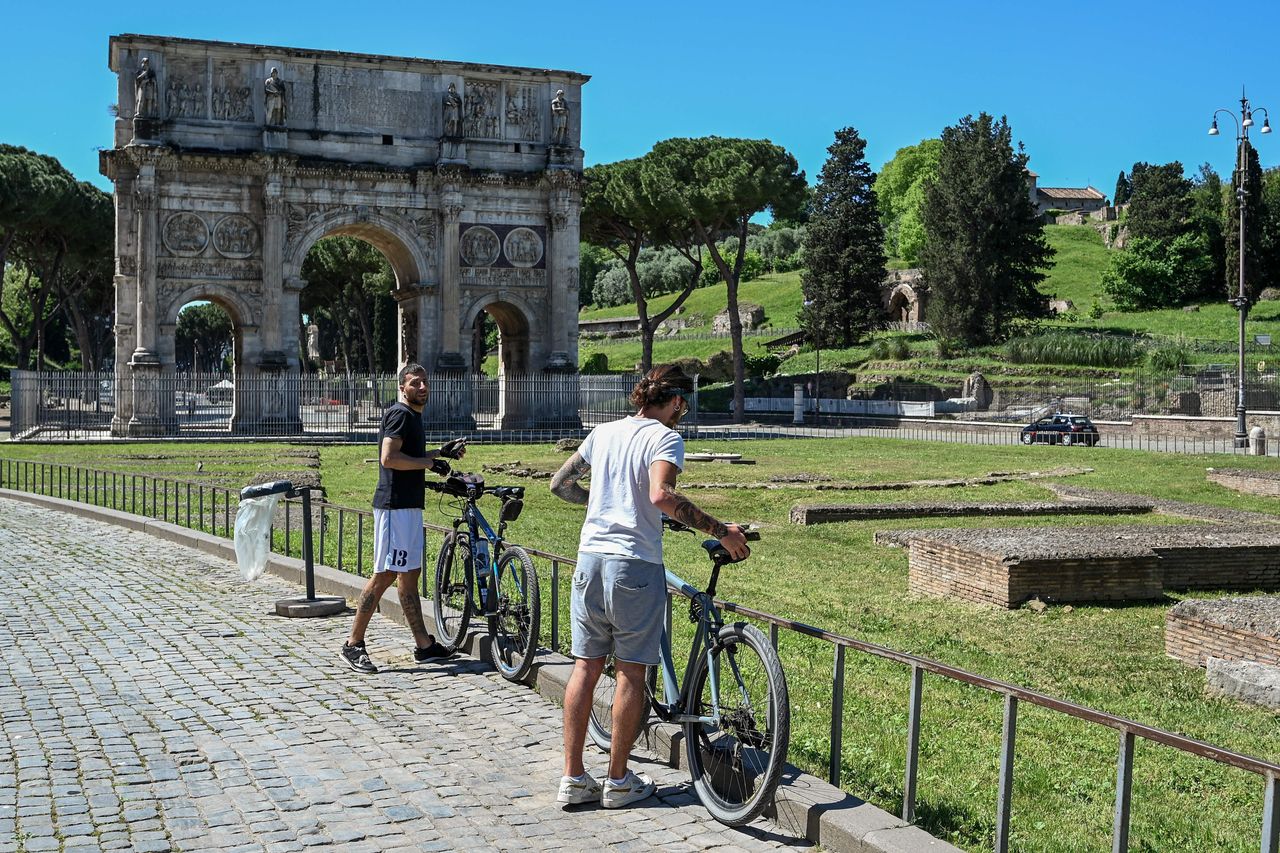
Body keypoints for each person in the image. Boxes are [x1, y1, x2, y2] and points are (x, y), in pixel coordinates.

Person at [550, 363, 748, 808]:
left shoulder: (603, 432)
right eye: (685, 405)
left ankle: (573, 778)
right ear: (676, 400)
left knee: (585, 667)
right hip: (633, 565)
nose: (684, 413)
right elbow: (661, 495)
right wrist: (721, 531)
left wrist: (605, 501)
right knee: (631, 673)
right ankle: (618, 782)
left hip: (589, 560)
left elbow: (560, 485)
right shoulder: (665, 437)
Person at [340, 363, 467, 674]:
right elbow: (389, 458)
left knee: (409, 574)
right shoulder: (400, 414)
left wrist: (439, 453)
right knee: (385, 573)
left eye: (424, 382)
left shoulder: (413, 416)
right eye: (414, 383)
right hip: (394, 507)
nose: (422, 387)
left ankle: (424, 646)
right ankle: (353, 644)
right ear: (402, 387)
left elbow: (409, 454)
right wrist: (428, 462)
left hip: (408, 507)